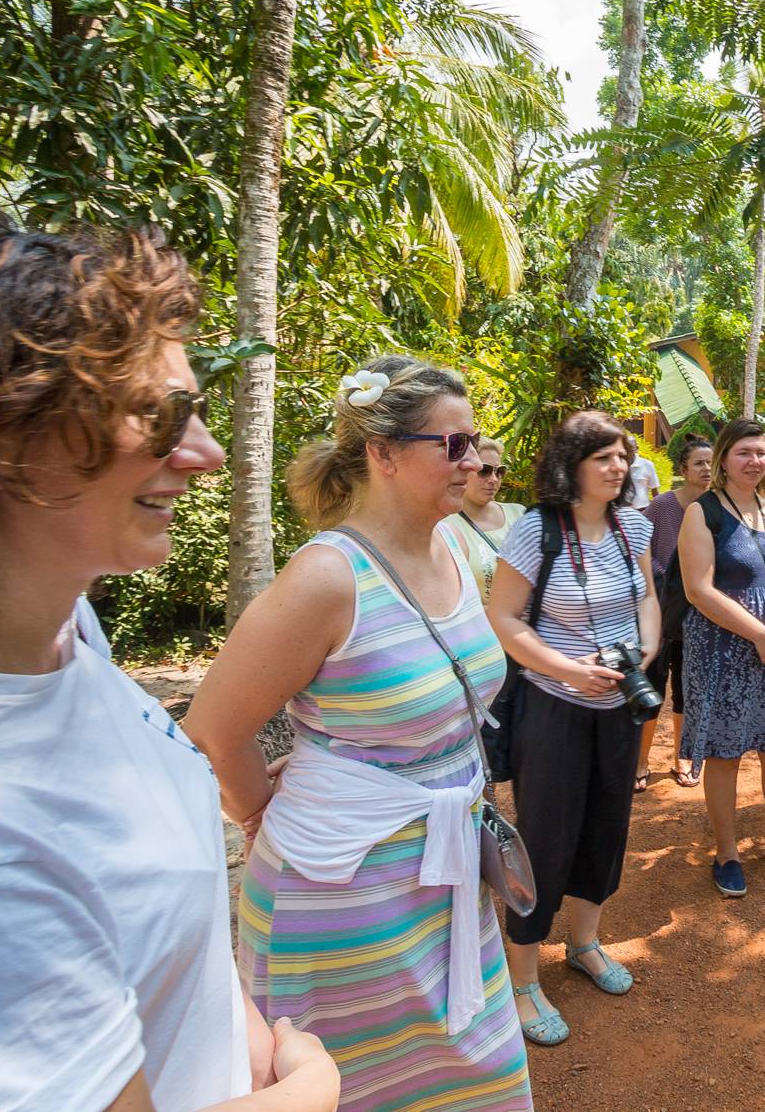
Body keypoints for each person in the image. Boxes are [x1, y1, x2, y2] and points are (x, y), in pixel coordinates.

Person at [0, 208, 338, 1111]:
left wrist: (229, 1024)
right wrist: (310, 1092)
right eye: (165, 414)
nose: (207, 455)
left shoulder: (48, 633)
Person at [187, 358, 530, 1110]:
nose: (473, 460)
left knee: (473, 1079)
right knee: (350, 1086)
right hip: (339, 891)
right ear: (381, 452)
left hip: (439, 879)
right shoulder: (326, 577)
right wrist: (254, 812)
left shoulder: (451, 547)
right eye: (453, 445)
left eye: (474, 441)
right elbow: (213, 728)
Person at [487, 411, 660, 1046]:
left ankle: (585, 943)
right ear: (571, 467)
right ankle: (524, 976)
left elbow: (646, 596)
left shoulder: (631, 528)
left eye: (622, 457)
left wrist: (645, 648)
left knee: (606, 827)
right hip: (552, 707)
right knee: (545, 837)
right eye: (603, 458)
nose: (618, 467)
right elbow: (504, 618)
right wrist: (568, 669)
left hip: (616, 704)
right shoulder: (537, 531)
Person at [679, 418, 765, 896]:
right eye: (743, 453)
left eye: (760, 453)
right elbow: (698, 590)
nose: (754, 461)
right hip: (723, 648)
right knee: (725, 753)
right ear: (723, 460)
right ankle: (727, 853)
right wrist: (759, 632)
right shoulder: (704, 513)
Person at [640, 433, 714, 789]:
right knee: (652, 685)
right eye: (699, 463)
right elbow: (641, 549)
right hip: (659, 611)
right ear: (684, 469)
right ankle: (640, 762)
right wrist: (669, 573)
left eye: (711, 463)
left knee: (688, 689)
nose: (706, 469)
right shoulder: (663, 506)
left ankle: (682, 758)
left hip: (700, 615)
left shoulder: (718, 507)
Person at [445, 435, 526, 602]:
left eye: (499, 471)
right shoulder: (446, 526)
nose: (494, 479)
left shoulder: (520, 514)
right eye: (484, 470)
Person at [621, 432, 661, 508]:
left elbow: (655, 490)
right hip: (622, 512)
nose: (628, 453)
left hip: (642, 510)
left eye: (631, 449)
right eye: (625, 449)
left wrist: (658, 510)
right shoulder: (617, 465)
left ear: (637, 449)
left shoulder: (647, 465)